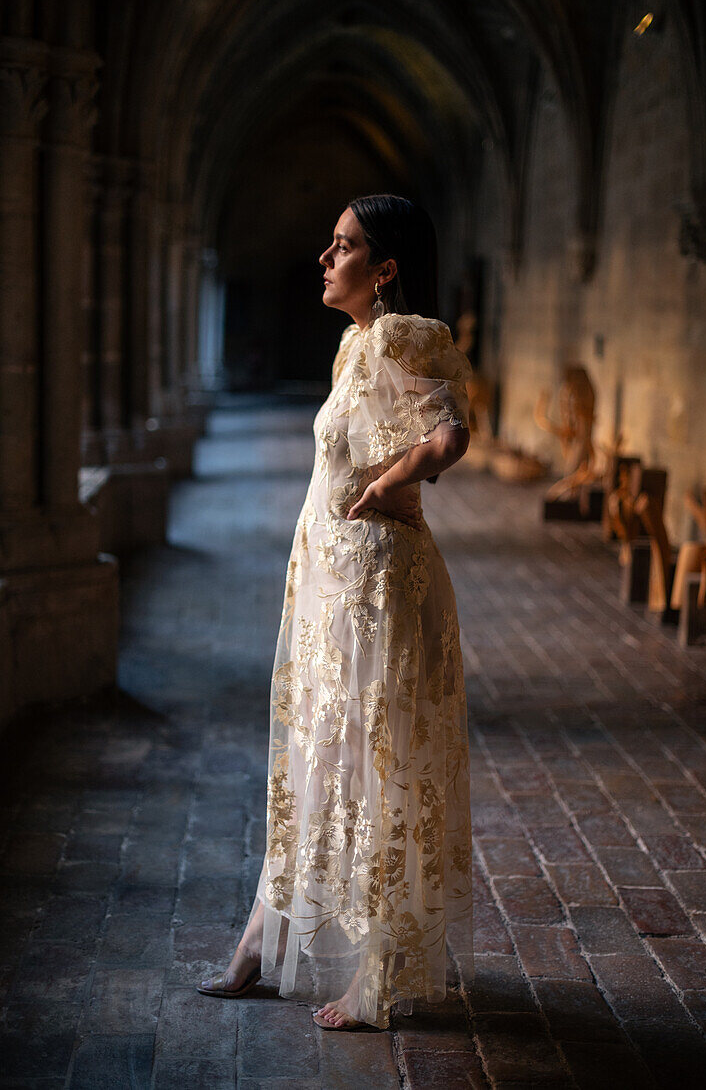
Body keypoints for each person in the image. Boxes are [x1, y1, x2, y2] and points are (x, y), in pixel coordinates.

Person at [197, 194, 475, 1031]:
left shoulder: (399, 332)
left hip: (378, 586)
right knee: (317, 761)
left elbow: (453, 432)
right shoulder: (356, 343)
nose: (326, 257)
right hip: (334, 585)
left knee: (373, 767)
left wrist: (393, 483)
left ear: (383, 269)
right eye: (328, 243)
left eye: (344, 245)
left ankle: (381, 976)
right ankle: (261, 936)